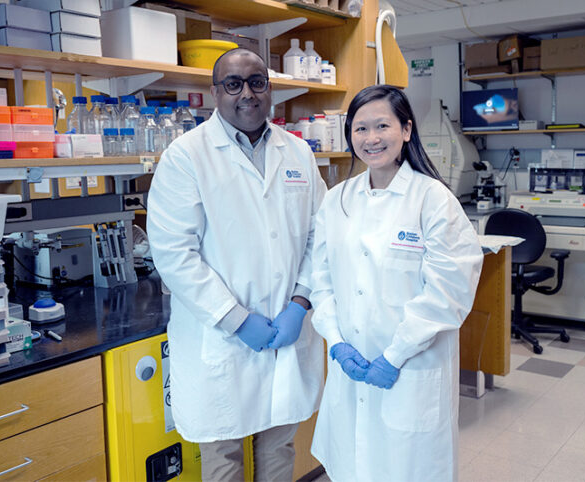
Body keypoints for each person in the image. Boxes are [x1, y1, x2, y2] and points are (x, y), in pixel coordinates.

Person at [147, 48, 327, 481]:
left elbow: (321, 236)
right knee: (223, 461)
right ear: (215, 93)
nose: (247, 93)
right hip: (221, 340)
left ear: (270, 89)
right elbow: (174, 254)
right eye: (233, 83)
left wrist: (300, 303)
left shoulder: (298, 153)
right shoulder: (186, 156)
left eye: (257, 82)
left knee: (280, 449)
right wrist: (236, 319)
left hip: (287, 331)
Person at [309, 85, 484, 482]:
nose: (370, 139)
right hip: (349, 368)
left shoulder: (433, 200)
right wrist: (335, 341)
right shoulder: (337, 200)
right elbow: (320, 279)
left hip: (411, 368)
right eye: (360, 129)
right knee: (352, 466)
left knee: (408, 470)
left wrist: (394, 355)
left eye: (382, 126)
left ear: (406, 130)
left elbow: (448, 293)